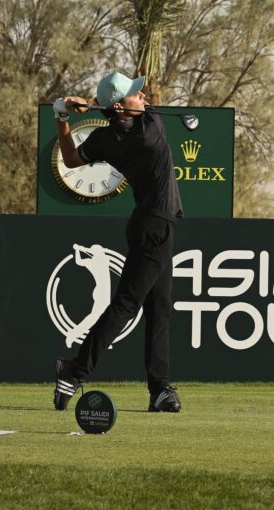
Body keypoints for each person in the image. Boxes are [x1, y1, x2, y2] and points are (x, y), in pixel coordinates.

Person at [51, 71, 182, 413]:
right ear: (125, 107)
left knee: (159, 309)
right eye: (136, 96)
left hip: (150, 222)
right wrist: (93, 105)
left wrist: (63, 115)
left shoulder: (105, 139)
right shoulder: (151, 129)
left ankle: (160, 389)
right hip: (155, 225)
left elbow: (70, 159)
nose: (145, 98)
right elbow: (128, 113)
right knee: (127, 304)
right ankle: (75, 371)